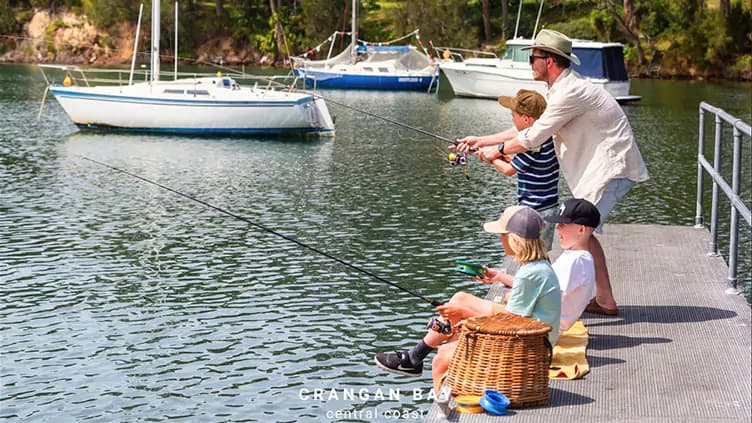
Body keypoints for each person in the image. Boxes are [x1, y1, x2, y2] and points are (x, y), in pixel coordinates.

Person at [457, 29, 650, 315]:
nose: (530, 63)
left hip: (611, 168)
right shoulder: (559, 91)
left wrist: (496, 152)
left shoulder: (569, 93)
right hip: (601, 170)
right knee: (585, 233)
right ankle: (603, 299)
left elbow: (532, 138)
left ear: (550, 61)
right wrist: (482, 141)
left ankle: (556, 305)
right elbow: (529, 130)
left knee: (575, 231)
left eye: (533, 57)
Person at [374, 205, 561, 394]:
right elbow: (521, 306)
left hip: (532, 347)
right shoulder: (538, 263)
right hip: (532, 335)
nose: (499, 239)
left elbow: (510, 324)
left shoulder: (530, 273)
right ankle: (415, 356)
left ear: (514, 239)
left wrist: (466, 315)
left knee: (441, 358)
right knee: (460, 298)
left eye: (502, 235)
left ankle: (439, 402)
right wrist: (497, 277)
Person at [481, 198, 599, 335]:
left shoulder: (576, 261)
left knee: (464, 303)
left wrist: (514, 296)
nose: (557, 228)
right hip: (547, 323)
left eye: (562, 225)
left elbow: (547, 293)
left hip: (544, 327)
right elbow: (543, 286)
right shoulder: (577, 257)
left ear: (581, 229)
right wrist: (499, 276)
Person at [481, 89, 559, 252]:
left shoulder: (532, 145)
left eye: (513, 116)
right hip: (549, 206)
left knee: (532, 253)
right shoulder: (547, 138)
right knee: (541, 253)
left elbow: (509, 170)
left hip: (536, 209)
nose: (512, 119)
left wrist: (492, 158)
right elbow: (523, 165)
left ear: (525, 118)